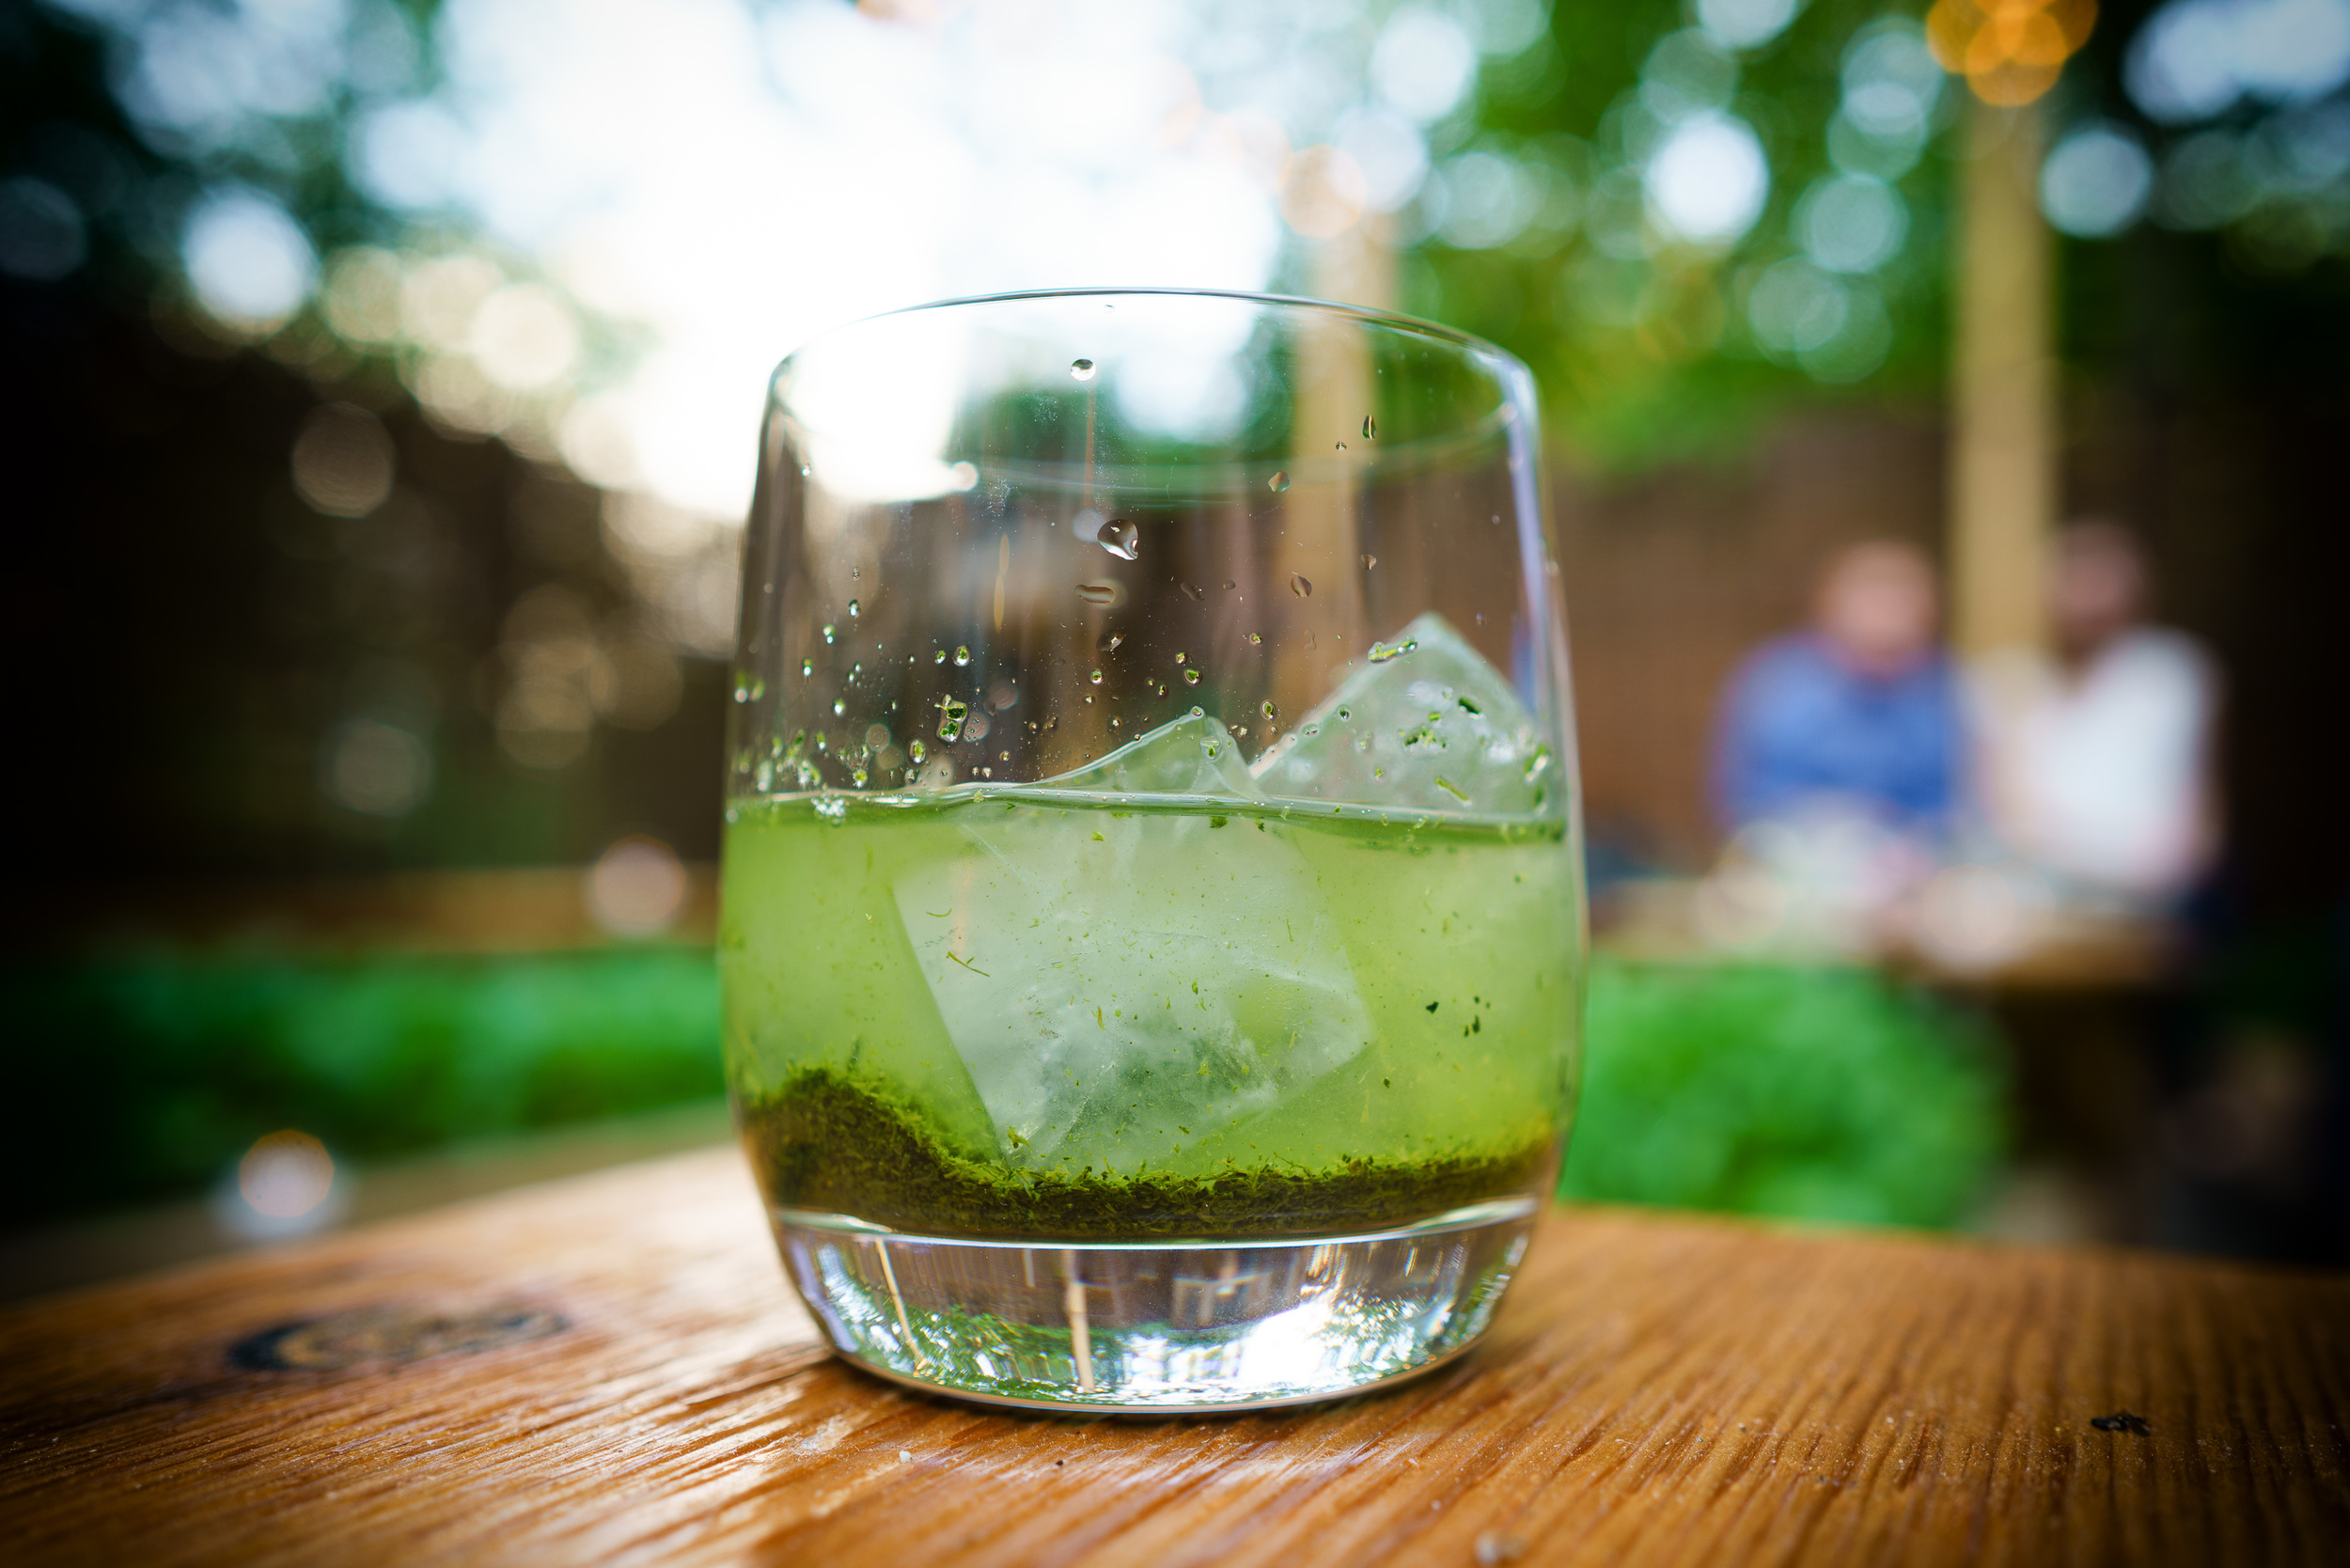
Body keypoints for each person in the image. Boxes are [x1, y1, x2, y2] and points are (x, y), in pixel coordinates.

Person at [1973, 521, 2218, 909]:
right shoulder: (2011, 680)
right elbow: (2007, 811)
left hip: (2146, 891)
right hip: (2037, 886)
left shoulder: (2168, 675)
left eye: (2100, 581)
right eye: (2073, 581)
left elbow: (2194, 808)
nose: (2086, 600)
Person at [1711, 541, 1967, 839]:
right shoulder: (1780, 685)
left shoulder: (1945, 688)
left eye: (1901, 602)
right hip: (1797, 859)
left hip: (1918, 862)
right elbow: (1744, 800)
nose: (1886, 616)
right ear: (1830, 605)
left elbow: (1958, 804)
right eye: (1873, 600)